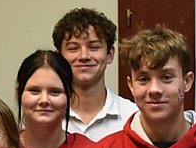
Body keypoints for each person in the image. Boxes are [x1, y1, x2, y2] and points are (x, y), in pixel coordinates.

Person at [53, 8, 136, 140]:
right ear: (59, 57)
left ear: (110, 54)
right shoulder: (47, 116)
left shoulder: (133, 117)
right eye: (73, 48)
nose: (84, 56)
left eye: (94, 47)